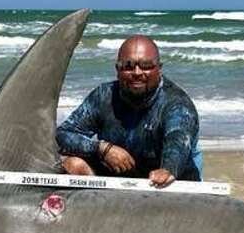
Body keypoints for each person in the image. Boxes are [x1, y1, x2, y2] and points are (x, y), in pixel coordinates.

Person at [56, 35, 202, 188]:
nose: (137, 72)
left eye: (146, 65)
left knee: (167, 179)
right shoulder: (103, 96)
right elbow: (63, 134)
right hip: (116, 181)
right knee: (73, 165)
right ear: (117, 69)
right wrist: (103, 149)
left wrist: (168, 169)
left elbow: (178, 139)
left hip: (165, 186)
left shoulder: (177, 103)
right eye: (128, 66)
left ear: (159, 68)